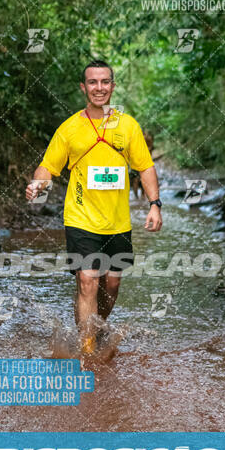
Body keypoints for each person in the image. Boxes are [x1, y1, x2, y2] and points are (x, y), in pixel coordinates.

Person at [26, 60, 162, 354]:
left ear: (112, 86)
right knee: (88, 280)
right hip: (80, 218)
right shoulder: (70, 128)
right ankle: (87, 349)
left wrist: (155, 204)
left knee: (111, 285)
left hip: (117, 222)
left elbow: (146, 167)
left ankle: (96, 327)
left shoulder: (128, 126)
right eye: (92, 82)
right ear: (83, 87)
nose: (98, 88)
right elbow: (48, 167)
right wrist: (38, 184)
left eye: (104, 82)